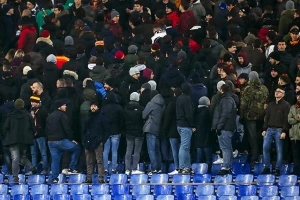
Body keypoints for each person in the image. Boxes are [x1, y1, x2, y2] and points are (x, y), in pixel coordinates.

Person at [46, 99, 81, 183]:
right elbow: (67, 129)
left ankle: (54, 178)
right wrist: (71, 139)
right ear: (59, 106)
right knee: (77, 148)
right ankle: (72, 168)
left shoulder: (50, 116)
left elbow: (46, 129)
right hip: (61, 140)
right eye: (64, 105)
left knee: (55, 160)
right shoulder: (62, 115)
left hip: (50, 141)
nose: (65, 106)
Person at [3, 99, 37, 183]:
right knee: (22, 156)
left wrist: (7, 136)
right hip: (24, 140)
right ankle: (32, 167)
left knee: (15, 158)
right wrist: (30, 136)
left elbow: (5, 128)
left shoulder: (10, 115)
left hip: (13, 140)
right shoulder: (27, 115)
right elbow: (33, 127)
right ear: (23, 105)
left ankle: (15, 177)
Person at [240, 71, 269, 164]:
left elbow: (243, 104)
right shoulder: (264, 88)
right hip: (262, 116)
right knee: (260, 135)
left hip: (250, 116)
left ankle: (254, 156)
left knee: (252, 137)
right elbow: (266, 100)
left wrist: (241, 114)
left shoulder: (247, 89)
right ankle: (262, 153)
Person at [261, 86, 290, 176]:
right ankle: (266, 167)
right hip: (269, 129)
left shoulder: (286, 105)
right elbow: (267, 118)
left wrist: (284, 131)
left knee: (279, 150)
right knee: (265, 148)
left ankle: (277, 169)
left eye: (279, 91)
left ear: (283, 94)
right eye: (276, 91)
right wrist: (264, 129)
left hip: (279, 129)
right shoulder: (271, 104)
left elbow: (286, 119)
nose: (276, 92)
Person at [211, 84, 237, 175]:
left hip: (225, 128)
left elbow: (225, 115)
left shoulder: (226, 100)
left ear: (222, 90)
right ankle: (227, 166)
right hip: (227, 127)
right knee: (227, 148)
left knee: (225, 148)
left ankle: (226, 167)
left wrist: (219, 127)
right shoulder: (228, 99)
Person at [82, 101, 109, 183]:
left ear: (98, 107)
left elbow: (107, 131)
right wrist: (84, 140)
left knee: (99, 161)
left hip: (98, 142)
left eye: (95, 106)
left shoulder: (102, 118)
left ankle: (101, 179)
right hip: (88, 142)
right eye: (92, 106)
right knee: (89, 162)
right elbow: (83, 130)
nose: (93, 107)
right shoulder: (87, 117)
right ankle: (88, 178)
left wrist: (102, 141)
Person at [143, 91, 165, 175]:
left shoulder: (151, 103)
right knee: (157, 149)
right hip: (158, 129)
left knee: (151, 150)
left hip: (150, 128)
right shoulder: (162, 104)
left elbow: (143, 115)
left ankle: (153, 168)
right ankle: (159, 168)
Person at [176, 83, 195, 174]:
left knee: (186, 147)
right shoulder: (187, 99)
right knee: (184, 147)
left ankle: (188, 167)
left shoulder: (179, 98)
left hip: (179, 125)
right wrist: (192, 125)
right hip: (185, 125)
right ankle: (182, 167)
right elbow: (189, 114)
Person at [124, 92, 144, 175]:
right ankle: (135, 168)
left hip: (129, 132)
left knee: (128, 151)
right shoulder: (141, 109)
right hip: (139, 133)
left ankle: (127, 169)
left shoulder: (125, 108)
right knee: (136, 151)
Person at [29, 95, 49, 175]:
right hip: (32, 135)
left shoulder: (43, 110)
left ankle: (45, 169)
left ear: (37, 102)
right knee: (33, 153)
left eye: (34, 102)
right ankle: (33, 169)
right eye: (31, 102)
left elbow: (46, 123)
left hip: (41, 135)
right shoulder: (30, 110)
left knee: (43, 152)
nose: (32, 103)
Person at [194, 96, 212, 172]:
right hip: (207, 138)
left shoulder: (195, 111)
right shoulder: (208, 111)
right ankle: (208, 172)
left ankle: (198, 173)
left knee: (199, 159)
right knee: (208, 159)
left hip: (198, 138)